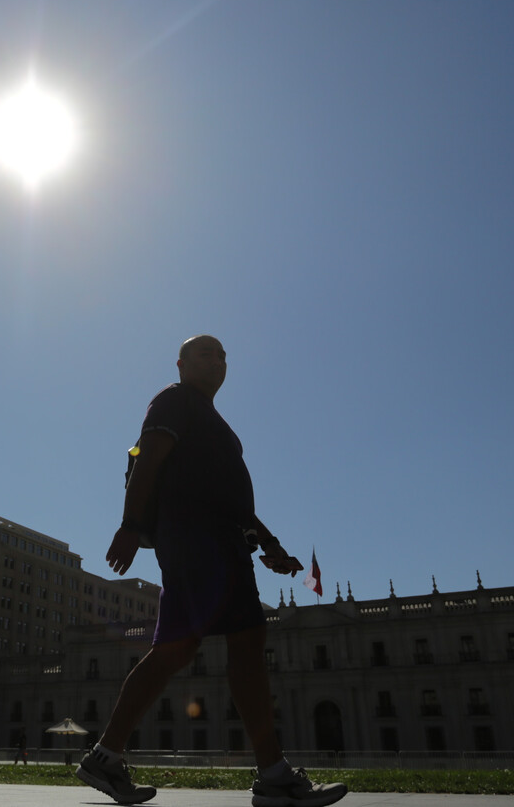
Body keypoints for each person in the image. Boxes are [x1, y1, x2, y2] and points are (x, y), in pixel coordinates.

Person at [77, 336, 347, 807]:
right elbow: (148, 462)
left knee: (175, 651)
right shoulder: (174, 400)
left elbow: (231, 497)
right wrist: (129, 526)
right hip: (196, 539)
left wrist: (270, 543)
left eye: (222, 355)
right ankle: (274, 775)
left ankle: (105, 756)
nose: (216, 360)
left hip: (216, 540)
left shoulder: (214, 422)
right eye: (205, 353)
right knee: (245, 638)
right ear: (181, 364)